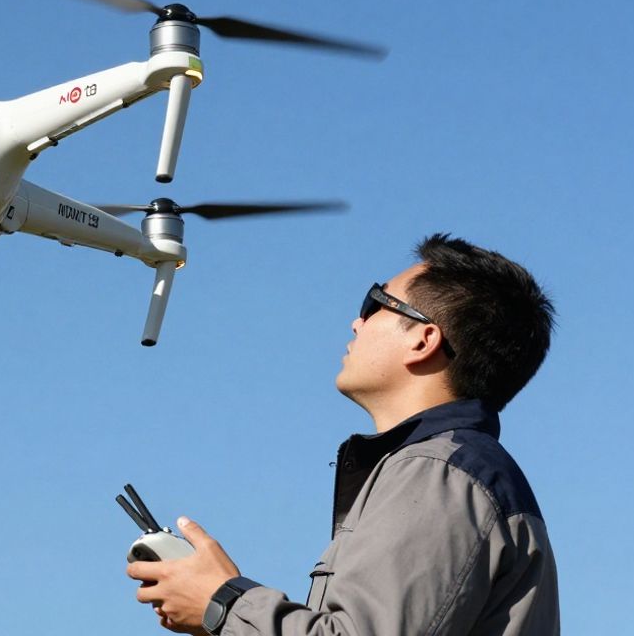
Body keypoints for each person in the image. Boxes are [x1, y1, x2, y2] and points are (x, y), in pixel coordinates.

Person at [128, 233, 559, 635]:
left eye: (375, 303)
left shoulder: (438, 472)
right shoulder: (452, 471)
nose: (357, 323)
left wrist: (221, 603)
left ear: (423, 340)